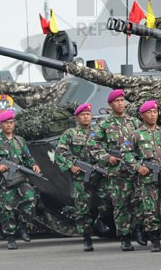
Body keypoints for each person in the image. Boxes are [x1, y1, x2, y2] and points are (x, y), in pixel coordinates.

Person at [124, 100, 161, 253]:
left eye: (155, 112)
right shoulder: (136, 135)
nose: (153, 115)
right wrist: (138, 167)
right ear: (142, 115)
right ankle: (155, 240)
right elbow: (125, 153)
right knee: (151, 211)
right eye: (149, 112)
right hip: (147, 178)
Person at [93, 88, 142, 251]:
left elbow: (144, 140)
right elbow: (92, 144)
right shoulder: (104, 124)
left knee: (141, 201)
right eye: (117, 101)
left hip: (136, 170)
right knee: (121, 205)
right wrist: (107, 158)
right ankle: (125, 237)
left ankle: (140, 229)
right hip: (117, 172)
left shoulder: (134, 122)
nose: (120, 104)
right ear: (110, 104)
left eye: (122, 101)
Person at [55, 103, 107, 252]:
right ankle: (87, 237)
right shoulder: (70, 133)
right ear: (77, 117)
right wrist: (71, 166)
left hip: (98, 173)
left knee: (110, 197)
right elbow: (59, 153)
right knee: (82, 208)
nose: (86, 117)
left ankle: (100, 219)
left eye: (88, 114)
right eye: (83, 115)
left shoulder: (98, 132)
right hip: (81, 176)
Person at [0, 109, 42, 250]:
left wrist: (34, 165)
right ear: (1, 125)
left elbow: (28, 157)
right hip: (4, 180)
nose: (9, 125)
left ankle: (22, 224)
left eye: (11, 122)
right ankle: (10, 236)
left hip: (21, 177)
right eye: (6, 123)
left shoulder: (20, 140)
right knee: (7, 209)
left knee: (31, 200)